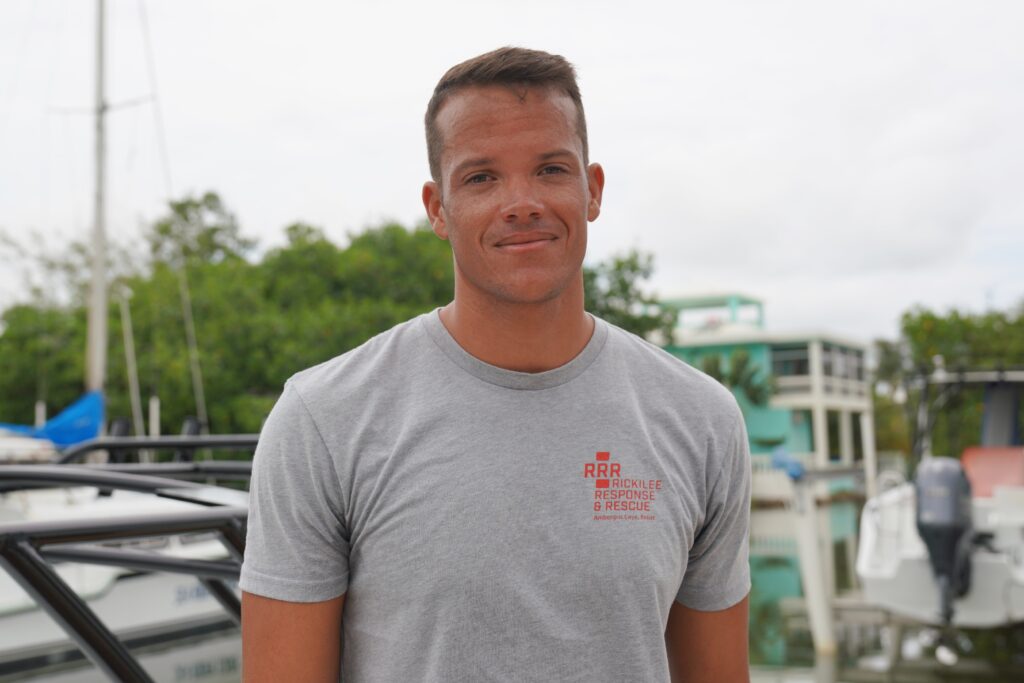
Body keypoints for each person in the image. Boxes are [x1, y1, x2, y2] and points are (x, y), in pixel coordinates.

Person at [240, 46, 751, 682]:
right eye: (481, 177)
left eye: (550, 169)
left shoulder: (701, 419)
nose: (522, 202)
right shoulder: (324, 419)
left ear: (591, 191)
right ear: (437, 208)